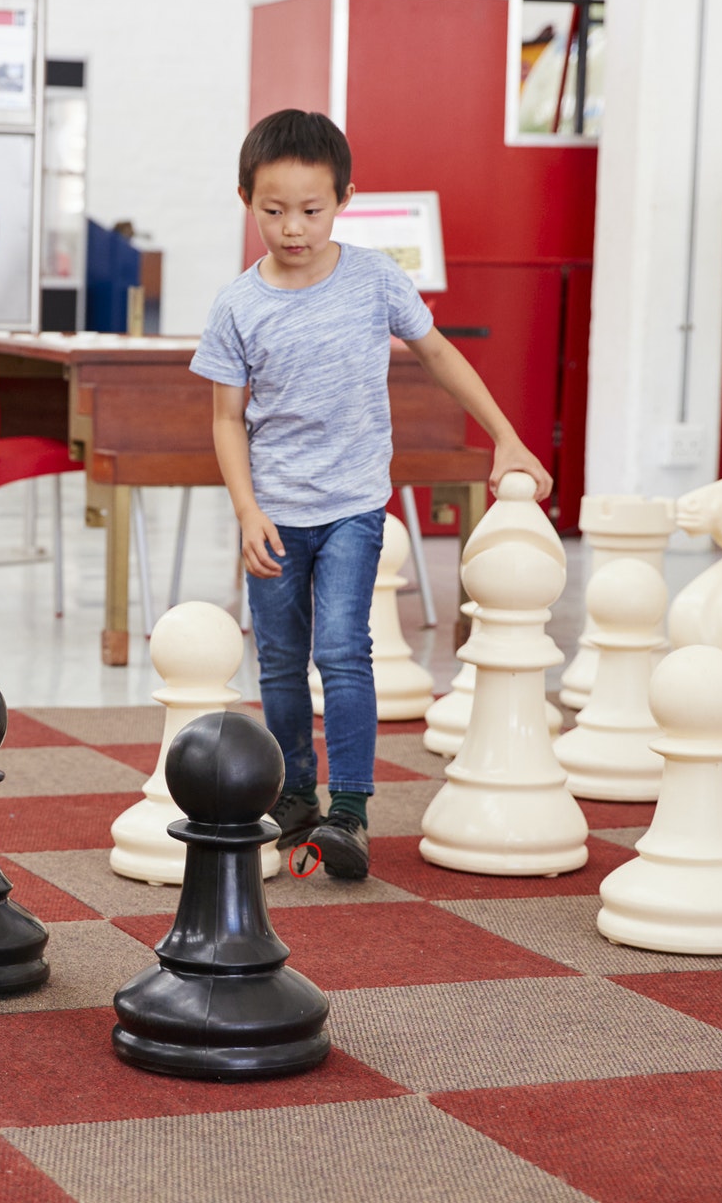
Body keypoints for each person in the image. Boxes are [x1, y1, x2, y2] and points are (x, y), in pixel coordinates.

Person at [192, 109, 552, 880]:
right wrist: (247, 509)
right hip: (276, 513)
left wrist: (507, 436)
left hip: (356, 504)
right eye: (273, 210)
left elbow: (439, 353)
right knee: (282, 662)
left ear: (346, 199)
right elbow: (226, 418)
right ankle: (294, 797)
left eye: (311, 210)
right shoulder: (237, 305)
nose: (293, 229)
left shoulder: (375, 278)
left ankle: (350, 809)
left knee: (342, 653)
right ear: (244, 199)